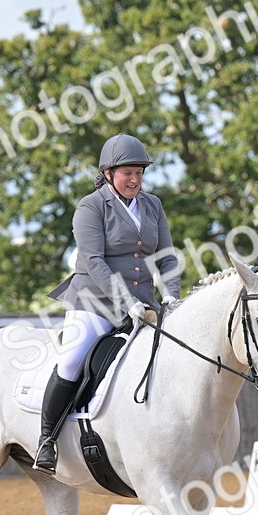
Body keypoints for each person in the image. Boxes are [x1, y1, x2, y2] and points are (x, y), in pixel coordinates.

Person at [33, 134, 181, 474]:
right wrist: (125, 301)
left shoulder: (152, 205)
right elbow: (94, 260)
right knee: (71, 361)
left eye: (139, 173)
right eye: (127, 172)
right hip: (94, 302)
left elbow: (167, 257)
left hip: (144, 303)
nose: (134, 180)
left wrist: (171, 292)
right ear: (109, 172)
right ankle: (47, 440)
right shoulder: (91, 206)